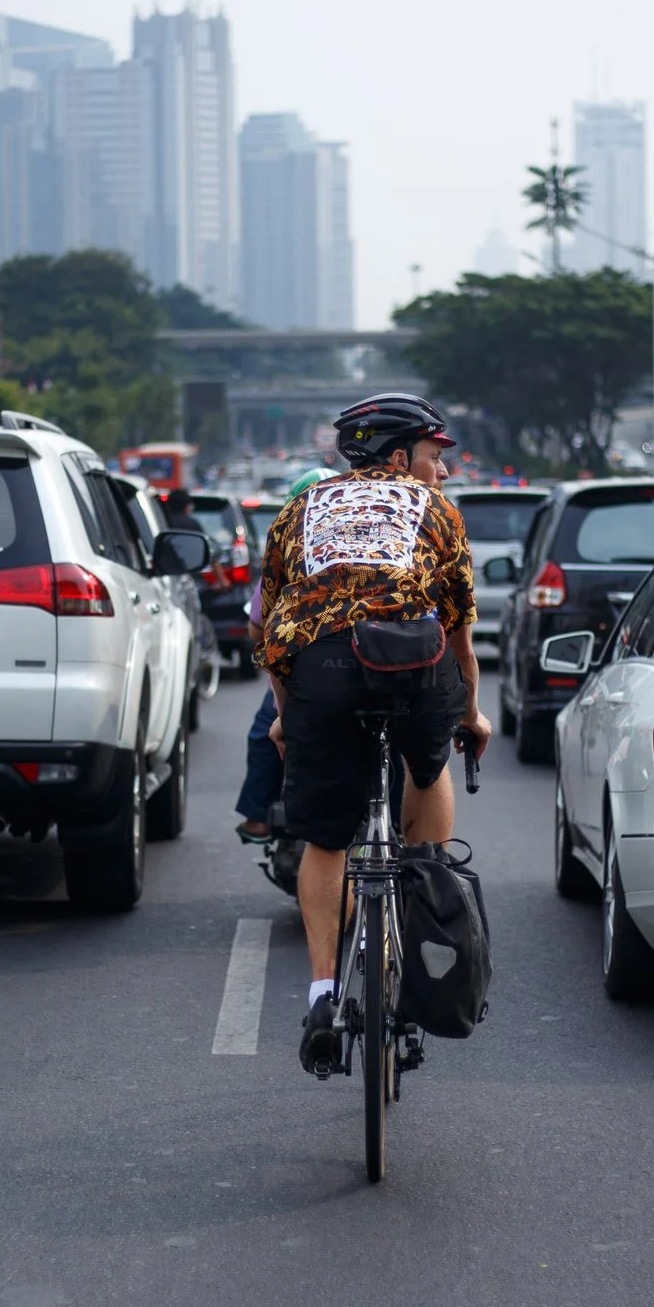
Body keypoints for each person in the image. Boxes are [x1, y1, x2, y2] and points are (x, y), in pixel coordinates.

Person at [253, 394, 491, 1075]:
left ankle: (324, 994)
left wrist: (283, 713)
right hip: (414, 666)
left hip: (319, 672)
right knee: (428, 768)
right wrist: (467, 716)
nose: (441, 473)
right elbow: (459, 638)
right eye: (433, 458)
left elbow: (273, 631)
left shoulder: (297, 510)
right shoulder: (437, 513)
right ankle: (423, 898)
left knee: (326, 840)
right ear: (397, 457)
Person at [234, 466, 332, 842]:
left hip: (305, 674)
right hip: (376, 666)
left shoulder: (286, 552)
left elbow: (258, 629)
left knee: (265, 733)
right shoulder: (376, 543)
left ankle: (257, 816)